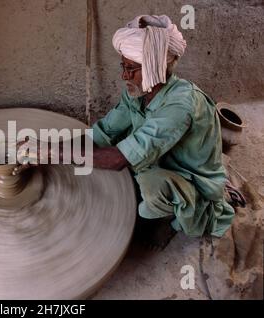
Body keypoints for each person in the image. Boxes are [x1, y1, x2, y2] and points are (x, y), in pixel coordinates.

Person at [14, 15, 236, 246]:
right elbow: (102, 134)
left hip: (192, 183)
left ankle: (166, 220)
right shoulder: (137, 93)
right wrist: (49, 148)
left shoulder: (180, 106)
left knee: (151, 185)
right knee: (102, 161)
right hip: (158, 161)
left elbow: (120, 159)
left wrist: (51, 153)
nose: (124, 75)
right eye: (123, 66)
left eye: (131, 68)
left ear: (155, 66)